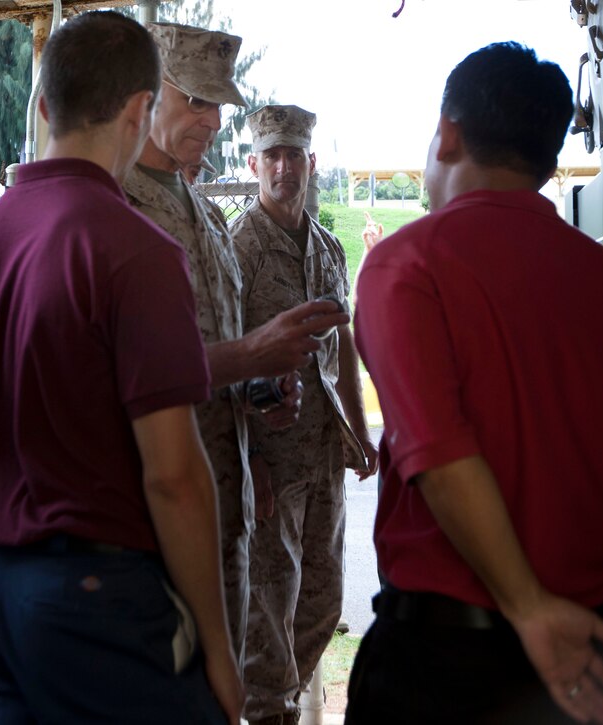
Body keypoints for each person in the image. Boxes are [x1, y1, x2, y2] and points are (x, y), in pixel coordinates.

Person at [346, 42, 603, 725]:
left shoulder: (404, 266)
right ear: (544, 157)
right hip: (592, 665)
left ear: (447, 132)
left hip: (442, 665)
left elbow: (440, 457)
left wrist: (529, 606)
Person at [0, 12, 242, 723]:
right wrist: (219, 646)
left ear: (46, 105)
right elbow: (173, 477)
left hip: (3, 588)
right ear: (142, 110)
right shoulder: (132, 249)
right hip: (98, 601)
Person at [123, 23, 348, 670]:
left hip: (224, 492)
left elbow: (209, 344)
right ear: (144, 97)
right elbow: (123, 374)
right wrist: (250, 357)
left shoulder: (202, 213)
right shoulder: (115, 207)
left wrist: (257, 392)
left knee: (242, 654)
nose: (212, 119)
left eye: (217, 104)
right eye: (192, 98)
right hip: (150, 511)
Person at [229, 104, 378, 725]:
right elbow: (225, 363)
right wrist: (252, 462)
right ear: (253, 164)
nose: (285, 168)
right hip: (269, 466)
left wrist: (361, 435)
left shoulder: (328, 248)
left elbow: (340, 352)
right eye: (273, 156)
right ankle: (270, 713)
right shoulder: (240, 246)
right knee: (269, 613)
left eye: (296, 155)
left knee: (320, 604)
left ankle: (281, 706)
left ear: (312, 164)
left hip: (322, 457)